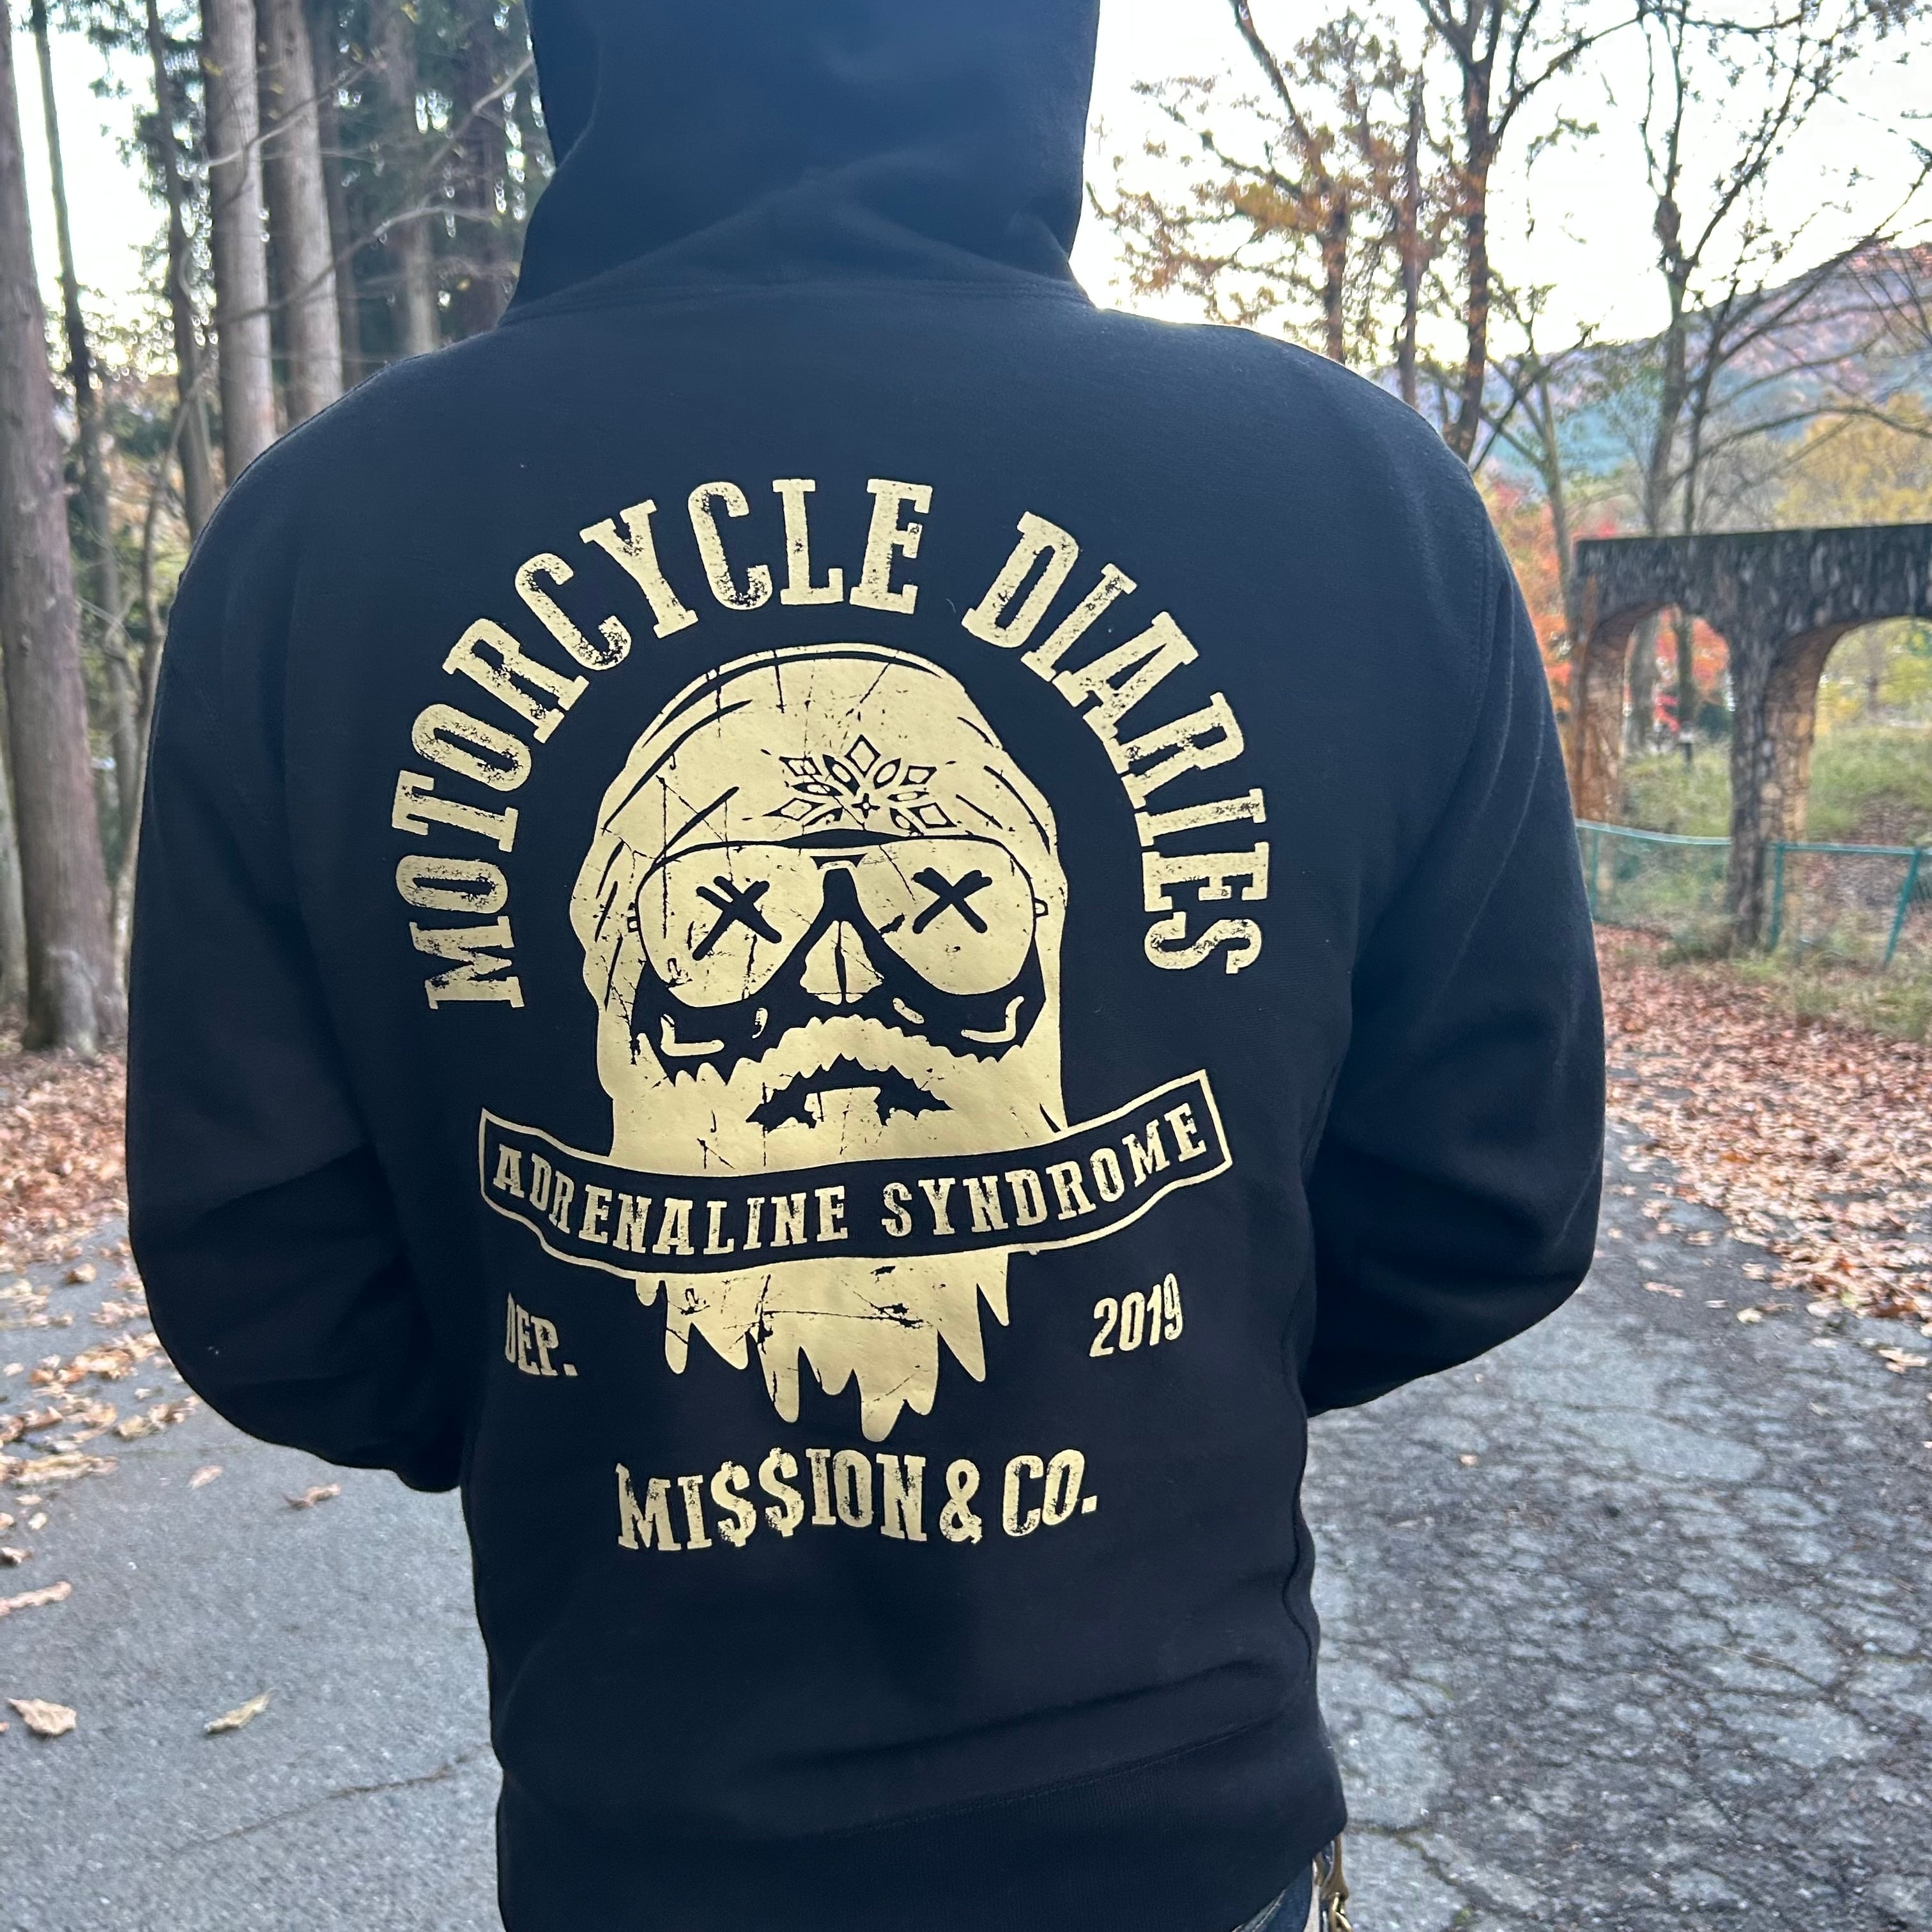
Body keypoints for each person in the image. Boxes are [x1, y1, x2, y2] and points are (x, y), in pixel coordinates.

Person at [125, 4, 1604, 1929]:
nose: (846, 997)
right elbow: (1486, 1198)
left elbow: (267, 1270)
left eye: (947, 917)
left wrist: (567, 1381)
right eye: (730, 924)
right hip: (1183, 1841)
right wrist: (1175, 1347)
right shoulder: (1350, 496)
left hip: (639, 1846)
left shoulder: (315, 546)